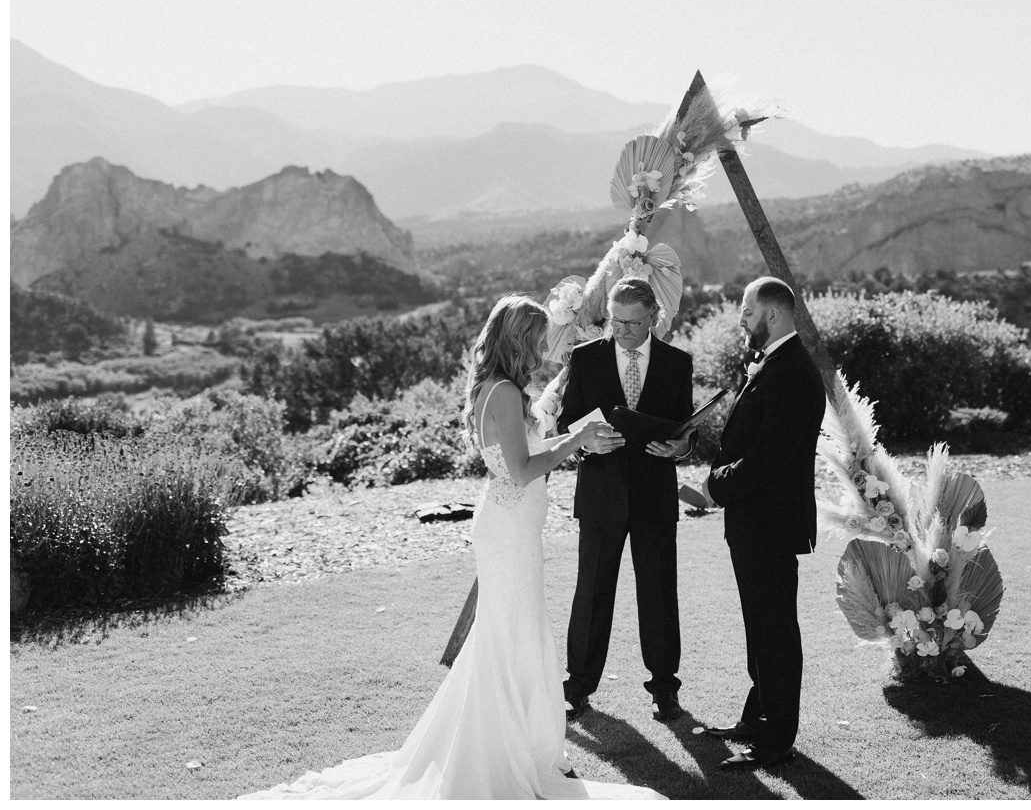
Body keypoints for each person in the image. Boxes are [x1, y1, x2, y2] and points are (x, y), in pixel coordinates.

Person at [242, 296, 657, 800]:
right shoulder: (502, 392)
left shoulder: (500, 388)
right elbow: (522, 470)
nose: (544, 349)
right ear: (518, 340)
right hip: (507, 530)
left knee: (513, 631)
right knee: (511, 633)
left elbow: (521, 457)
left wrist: (572, 436)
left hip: (513, 525)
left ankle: (519, 741)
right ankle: (502, 747)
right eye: (538, 338)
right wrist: (577, 440)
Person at [695, 278, 827, 772]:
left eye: (747, 312)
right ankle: (758, 717)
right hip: (754, 520)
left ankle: (776, 739)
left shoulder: (792, 371)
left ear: (771, 314)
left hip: (770, 521)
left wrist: (714, 488)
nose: (742, 321)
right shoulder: (775, 363)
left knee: (774, 628)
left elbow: (769, 457)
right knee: (760, 625)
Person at [556, 279, 695, 722]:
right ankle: (577, 686)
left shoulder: (677, 363)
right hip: (600, 495)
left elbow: (684, 429)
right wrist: (583, 444)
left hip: (654, 495)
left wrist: (683, 449)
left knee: (658, 593)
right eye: (615, 321)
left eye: (633, 323)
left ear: (653, 317)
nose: (622, 330)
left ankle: (664, 689)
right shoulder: (585, 358)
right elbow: (566, 425)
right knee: (592, 593)